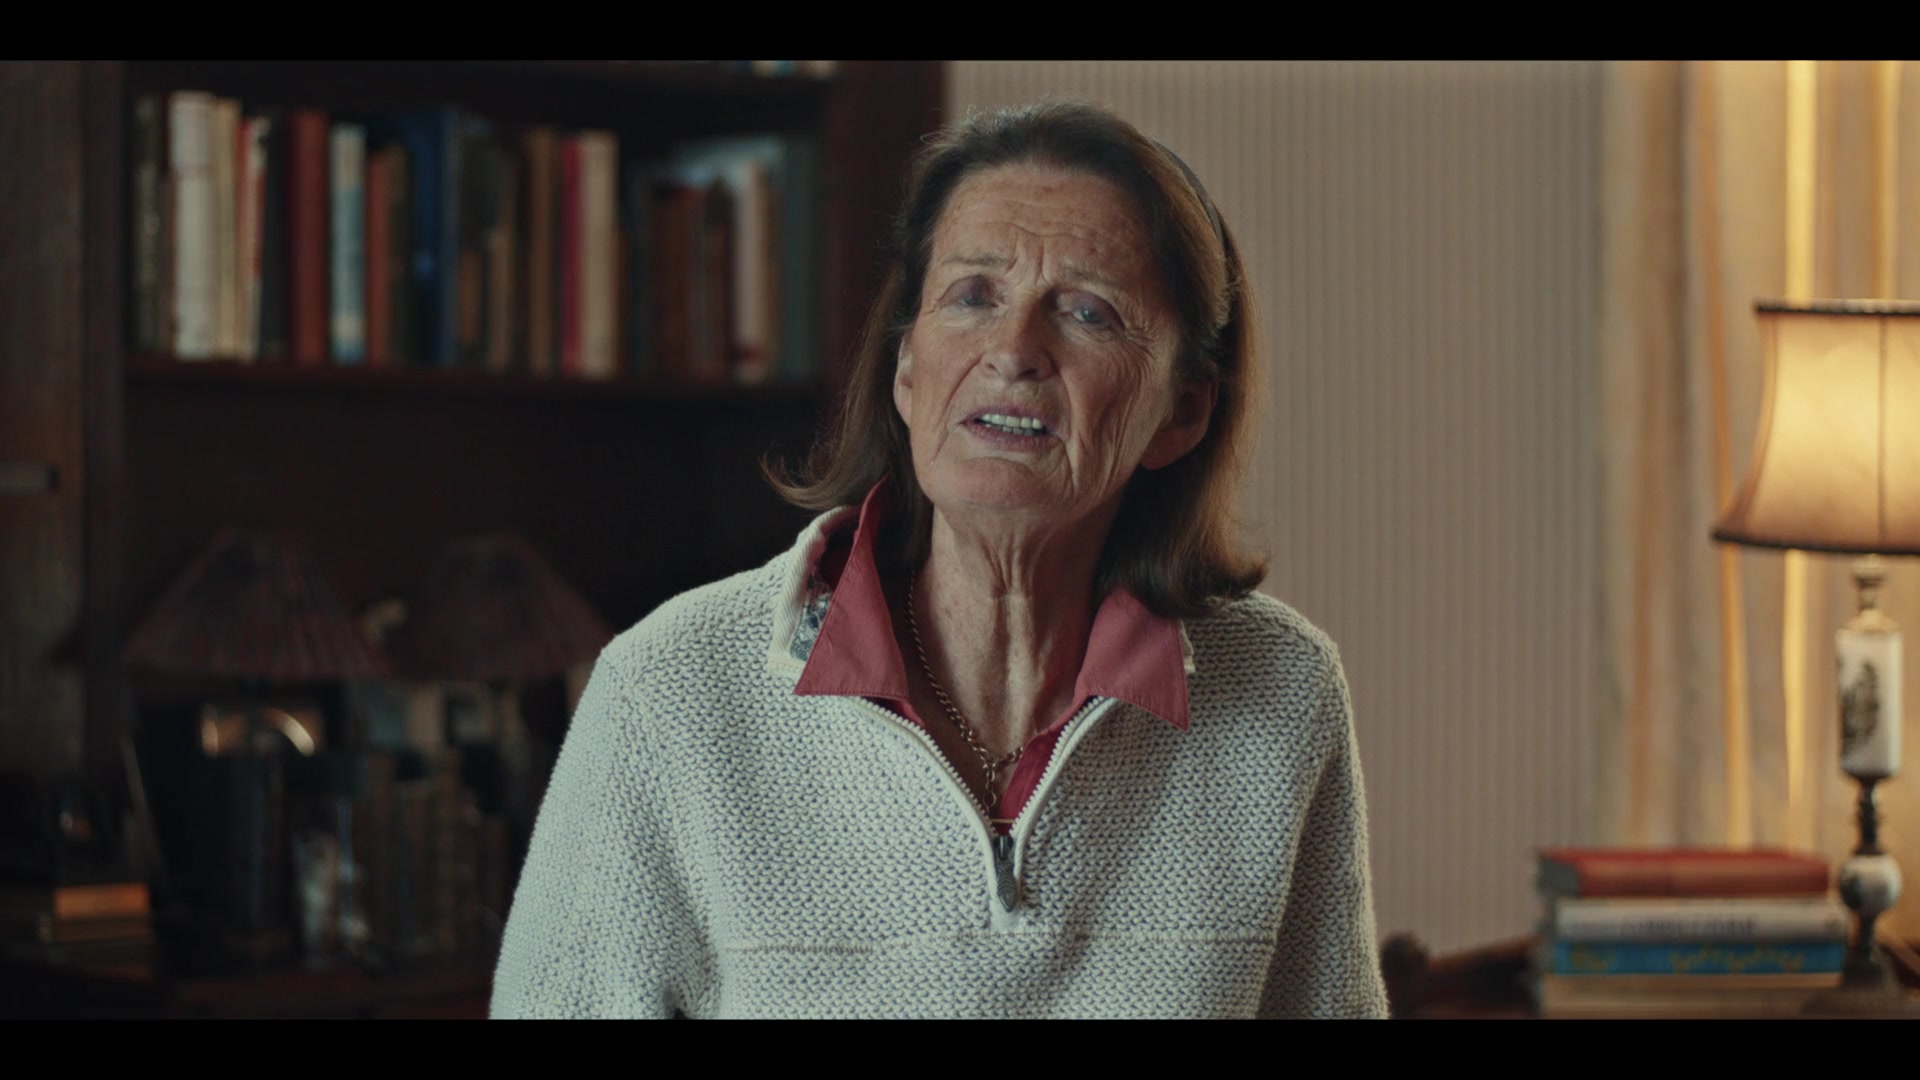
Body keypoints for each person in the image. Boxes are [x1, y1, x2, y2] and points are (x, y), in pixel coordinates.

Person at [490, 100, 1389, 1019]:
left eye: (1087, 311)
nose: (1014, 351)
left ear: (1184, 410)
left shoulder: (1283, 691)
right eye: (972, 297)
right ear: (908, 370)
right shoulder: (668, 691)